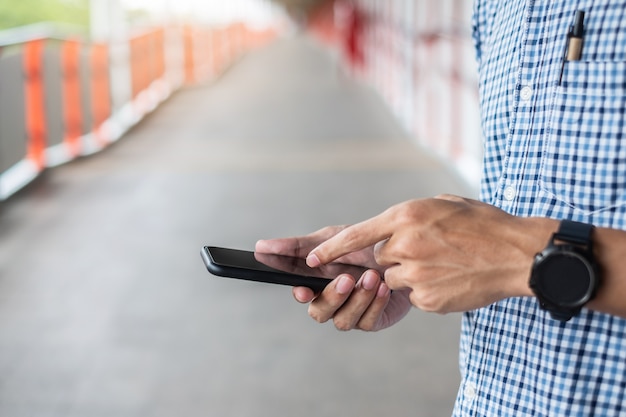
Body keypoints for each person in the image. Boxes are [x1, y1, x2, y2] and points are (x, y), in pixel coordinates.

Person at [256, 1, 626, 415]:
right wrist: (403, 257)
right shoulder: (497, 9)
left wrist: (518, 256)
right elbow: (522, 204)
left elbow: (507, 246)